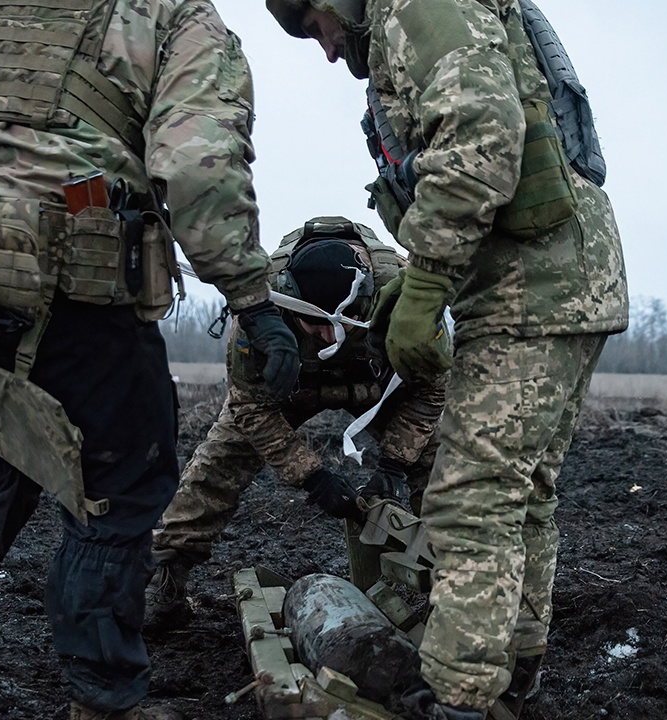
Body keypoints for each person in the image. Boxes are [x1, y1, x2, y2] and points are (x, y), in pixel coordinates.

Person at [0, 2, 300, 719]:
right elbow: (196, 165)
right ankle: (104, 699)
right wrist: (253, 299)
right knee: (123, 476)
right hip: (62, 254)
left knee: (3, 434)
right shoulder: (176, 13)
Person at [263, 1, 630, 718]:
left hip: (532, 288)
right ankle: (509, 681)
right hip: (561, 281)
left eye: (315, 28)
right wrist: (413, 285)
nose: (330, 52)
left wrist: (428, 282)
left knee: (468, 502)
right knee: (521, 498)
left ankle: (460, 700)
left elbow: (481, 140)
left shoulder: (415, 5)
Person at [144, 215, 446, 633]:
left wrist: (395, 463)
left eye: (341, 322)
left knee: (445, 467)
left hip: (379, 385)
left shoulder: (403, 299)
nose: (328, 337)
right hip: (290, 384)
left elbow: (431, 391)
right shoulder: (259, 308)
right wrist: (312, 475)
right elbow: (250, 407)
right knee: (217, 464)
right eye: (314, 324)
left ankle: (453, 595)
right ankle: (166, 580)